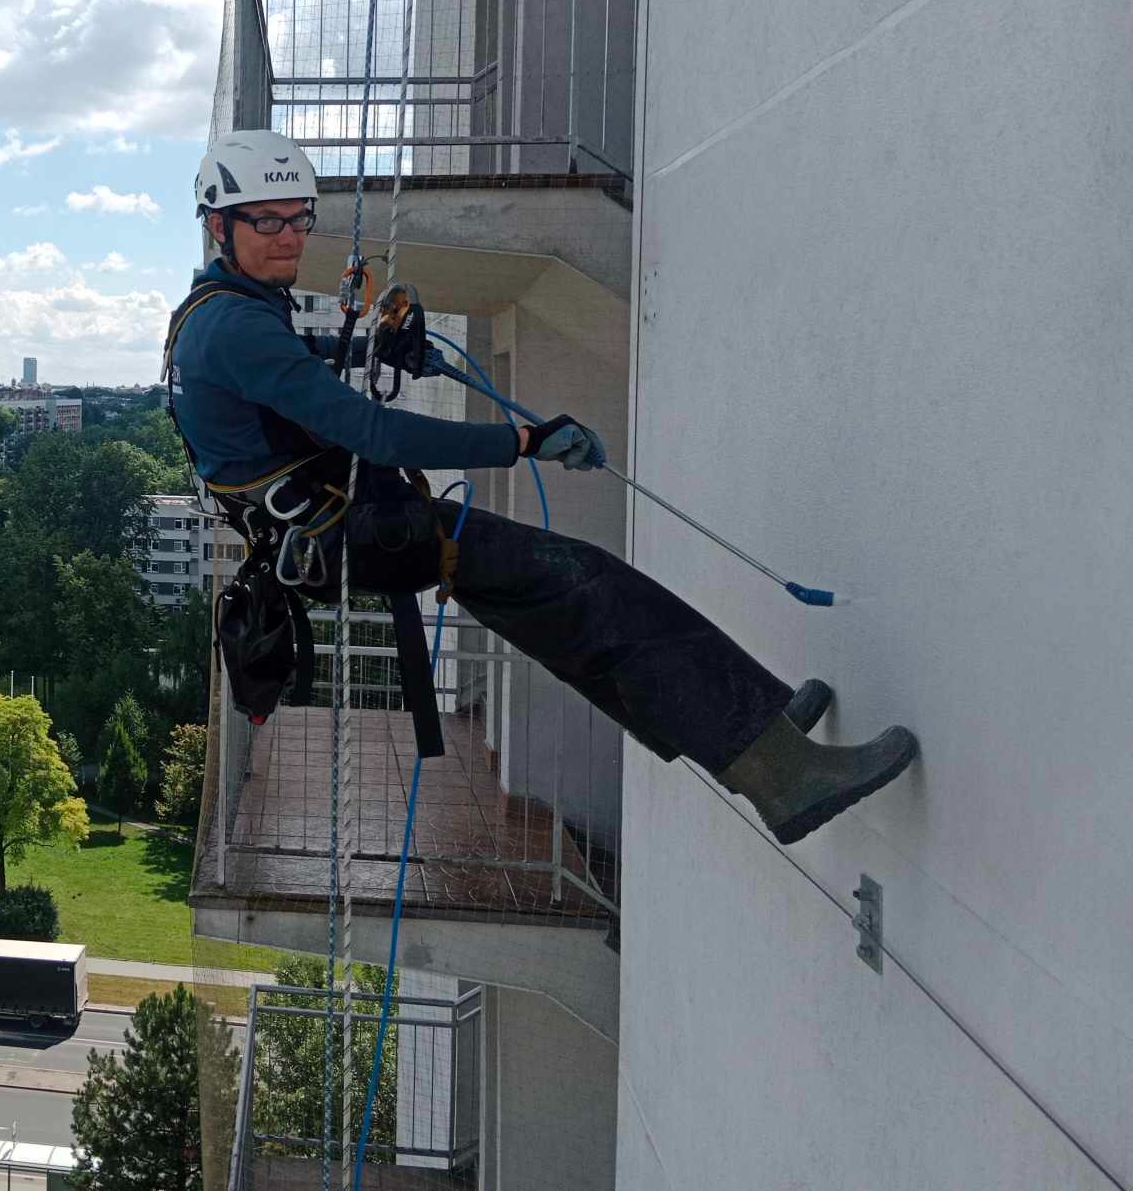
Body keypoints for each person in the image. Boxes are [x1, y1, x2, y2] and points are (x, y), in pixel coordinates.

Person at [166, 128, 918, 846]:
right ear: (219, 226)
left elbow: (294, 361)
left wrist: (369, 344)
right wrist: (523, 441)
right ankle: (779, 772)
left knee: (574, 619)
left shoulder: (226, 309)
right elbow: (378, 434)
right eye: (267, 221)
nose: (291, 235)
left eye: (300, 217)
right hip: (353, 531)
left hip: (344, 528)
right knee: (589, 591)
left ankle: (756, 724)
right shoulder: (233, 328)